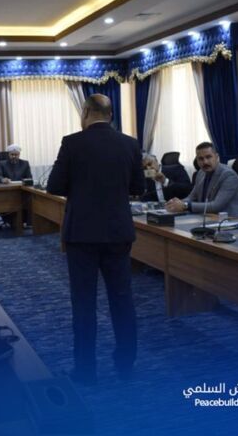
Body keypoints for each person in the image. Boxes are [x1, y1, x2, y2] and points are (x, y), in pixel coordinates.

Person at [47, 94, 145, 385]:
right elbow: (138, 187)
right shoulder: (130, 144)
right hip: (118, 232)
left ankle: (85, 371)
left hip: (82, 234)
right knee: (122, 299)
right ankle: (125, 365)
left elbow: (54, 186)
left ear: (86, 111)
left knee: (84, 303)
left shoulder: (72, 143)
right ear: (111, 115)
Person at [166, 142, 238, 217]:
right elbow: (191, 197)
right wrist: (175, 204)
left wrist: (185, 205)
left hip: (233, 220)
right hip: (208, 218)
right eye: (201, 159)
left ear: (217, 157)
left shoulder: (228, 176)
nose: (205, 162)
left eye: (208, 157)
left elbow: (216, 206)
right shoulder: (201, 173)